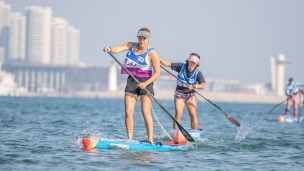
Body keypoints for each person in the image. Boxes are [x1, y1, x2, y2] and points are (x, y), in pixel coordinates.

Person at [103, 28, 160, 144]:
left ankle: (150, 140)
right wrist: (109, 49)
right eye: (140, 38)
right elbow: (118, 49)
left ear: (149, 39)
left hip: (146, 82)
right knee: (128, 112)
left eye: (144, 38)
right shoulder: (131, 46)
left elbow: (157, 73)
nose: (142, 40)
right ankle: (129, 139)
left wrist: (145, 83)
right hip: (132, 81)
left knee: (145, 112)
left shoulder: (152, 53)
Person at [160, 53, 205, 130]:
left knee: (192, 114)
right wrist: (159, 60)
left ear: (196, 64)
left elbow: (202, 86)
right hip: (179, 93)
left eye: (194, 63)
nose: (191, 64)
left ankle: (195, 132)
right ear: (188, 61)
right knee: (178, 114)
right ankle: (176, 132)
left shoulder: (198, 73)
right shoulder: (180, 66)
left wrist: (194, 86)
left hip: (190, 94)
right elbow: (168, 64)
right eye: (191, 62)